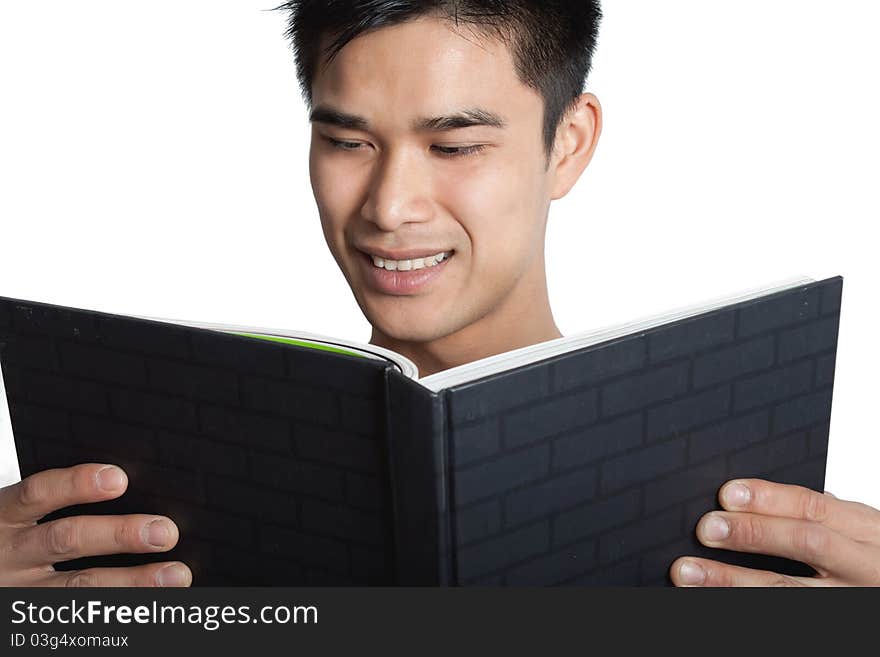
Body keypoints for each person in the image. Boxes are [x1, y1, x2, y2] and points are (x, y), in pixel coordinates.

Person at [1, 0, 878, 587]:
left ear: (567, 145)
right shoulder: (142, 475)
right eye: (348, 142)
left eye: (454, 147)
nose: (388, 208)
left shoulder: (753, 514)